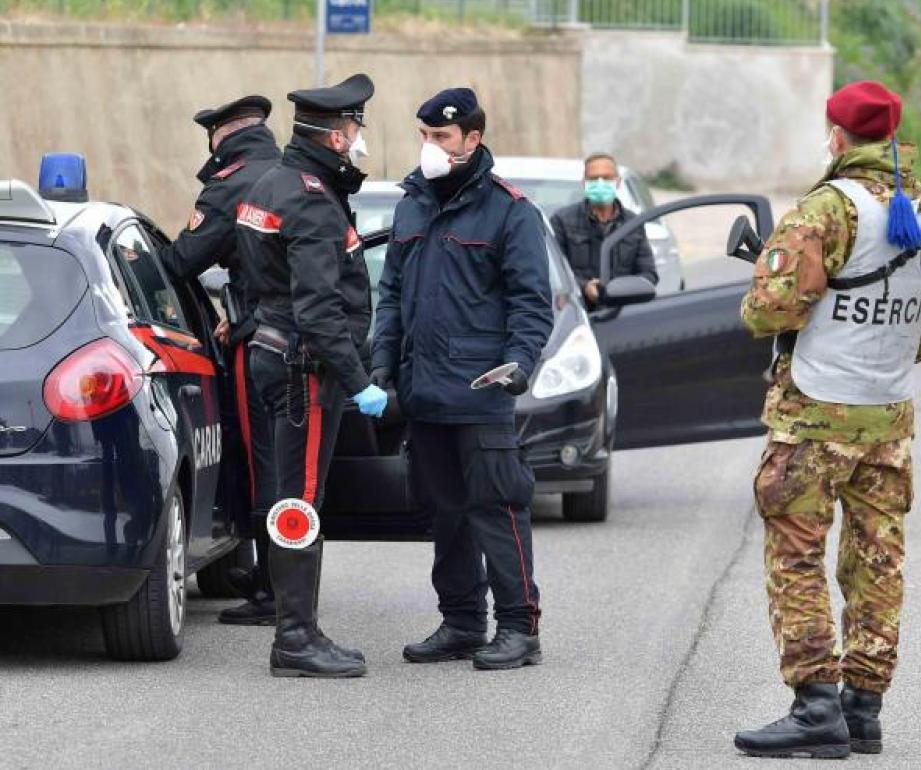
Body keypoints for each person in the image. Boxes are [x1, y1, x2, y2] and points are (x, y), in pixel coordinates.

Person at [732, 81, 921, 758]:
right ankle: (863, 708)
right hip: (887, 420)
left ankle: (814, 707)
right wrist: (881, 353)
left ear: (838, 136)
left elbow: (769, 312)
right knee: (878, 561)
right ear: (892, 138)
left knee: (797, 556)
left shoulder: (827, 209)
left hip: (813, 416)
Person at [371, 87, 553, 671]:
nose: (430, 148)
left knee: (497, 507)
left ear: (472, 139)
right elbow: (392, 293)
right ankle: (462, 621)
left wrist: (519, 364)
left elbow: (532, 304)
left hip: (482, 392)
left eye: (441, 138)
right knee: (444, 514)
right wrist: (383, 363)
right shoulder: (412, 203)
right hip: (424, 393)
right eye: (423, 136)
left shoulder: (510, 211)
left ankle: (520, 627)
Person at [235, 73, 387, 678]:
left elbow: (251, 276)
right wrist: (359, 380)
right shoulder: (312, 201)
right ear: (334, 134)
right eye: (354, 128)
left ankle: (297, 628)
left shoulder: (271, 182)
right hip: (304, 370)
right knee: (299, 503)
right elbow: (320, 309)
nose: (357, 139)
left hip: (271, 353)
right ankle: (295, 639)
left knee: (284, 496)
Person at [157, 94, 283, 627]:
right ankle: (273, 578)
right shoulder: (286, 172)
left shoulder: (231, 183)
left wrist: (146, 263)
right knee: (287, 461)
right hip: (289, 334)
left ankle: (275, 591)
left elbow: (185, 258)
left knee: (265, 465)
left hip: (261, 341)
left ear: (221, 134)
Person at [550, 152, 657, 307]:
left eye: (607, 178)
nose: (600, 184)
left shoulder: (633, 223)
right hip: (580, 312)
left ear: (618, 182)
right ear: (584, 182)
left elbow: (649, 274)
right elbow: (555, 273)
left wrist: (620, 290)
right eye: (593, 179)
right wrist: (584, 286)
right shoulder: (562, 220)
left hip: (623, 312)